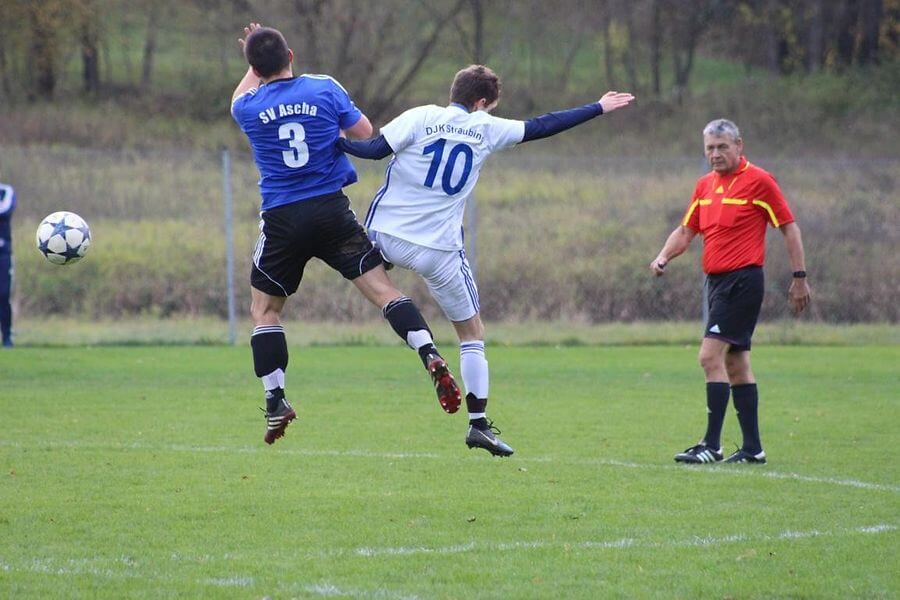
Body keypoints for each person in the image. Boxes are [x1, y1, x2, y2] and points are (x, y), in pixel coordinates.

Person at [337, 65, 634, 456]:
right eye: (490, 107)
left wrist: (336, 141)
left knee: (380, 281)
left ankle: (421, 341)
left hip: (385, 238)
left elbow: (372, 150)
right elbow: (544, 126)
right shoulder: (486, 129)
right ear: (481, 104)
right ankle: (478, 425)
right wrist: (597, 107)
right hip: (438, 251)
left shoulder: (421, 116)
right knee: (472, 333)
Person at [230, 23, 460, 445]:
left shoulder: (247, 108)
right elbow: (365, 133)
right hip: (331, 210)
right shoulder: (324, 88)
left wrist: (252, 58)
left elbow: (238, 96)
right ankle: (428, 351)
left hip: (282, 218)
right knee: (383, 291)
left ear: (254, 69)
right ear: (292, 56)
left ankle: (276, 399)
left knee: (265, 311)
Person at [650, 118, 811, 465]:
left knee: (709, 357)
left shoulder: (760, 181)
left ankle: (712, 444)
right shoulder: (704, 186)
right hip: (717, 284)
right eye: (710, 147)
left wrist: (799, 277)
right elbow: (686, 230)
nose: (715, 153)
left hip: (743, 281)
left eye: (722, 146)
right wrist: (664, 256)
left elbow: (790, 228)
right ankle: (753, 449)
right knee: (736, 364)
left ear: (740, 145)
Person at [0, 172, 15, 348]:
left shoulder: (5, 191)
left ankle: (7, 337)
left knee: (3, 295)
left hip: (3, 253)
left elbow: (6, 210)